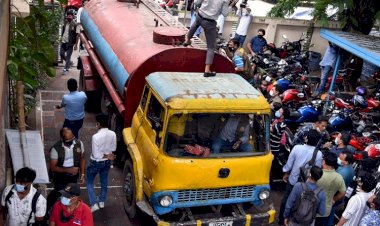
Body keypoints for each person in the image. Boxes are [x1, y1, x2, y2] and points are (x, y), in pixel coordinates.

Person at [278, 129, 323, 225]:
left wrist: (286, 173)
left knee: (287, 200)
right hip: (305, 184)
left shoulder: (296, 148)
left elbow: (289, 165)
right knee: (300, 202)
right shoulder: (318, 154)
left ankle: (282, 220)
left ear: (306, 138)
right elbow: (316, 170)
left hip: (293, 180)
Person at [183, 0, 239, 77]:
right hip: (209, 22)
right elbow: (225, 13)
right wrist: (232, 4)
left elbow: (196, 2)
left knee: (195, 24)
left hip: (200, 15)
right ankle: (207, 70)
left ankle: (187, 40)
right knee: (211, 47)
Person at [47, 127, 85, 214]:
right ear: (62, 138)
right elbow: (53, 167)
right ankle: (46, 209)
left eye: (72, 137)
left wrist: (82, 174)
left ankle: (70, 211)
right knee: (58, 192)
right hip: (60, 176)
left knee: (72, 194)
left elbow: (82, 159)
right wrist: (69, 170)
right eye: (68, 139)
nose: (72, 140)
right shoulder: (55, 149)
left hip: (73, 176)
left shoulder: (79, 144)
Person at [86, 114, 116, 212]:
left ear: (98, 124)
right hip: (107, 163)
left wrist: (104, 155)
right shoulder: (113, 134)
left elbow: (96, 155)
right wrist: (108, 156)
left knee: (89, 182)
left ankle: (94, 203)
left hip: (95, 163)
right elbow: (113, 149)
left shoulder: (95, 137)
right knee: (104, 181)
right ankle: (102, 201)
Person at [314, 152, 346, 226]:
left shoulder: (317, 174)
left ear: (324, 161)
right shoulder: (339, 177)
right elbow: (343, 192)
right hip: (326, 210)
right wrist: (334, 199)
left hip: (312, 208)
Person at [327, 151, 355, 226]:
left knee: (328, 215)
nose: (338, 159)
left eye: (340, 158)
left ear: (346, 162)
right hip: (338, 196)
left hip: (335, 195)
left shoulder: (343, 173)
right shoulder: (350, 168)